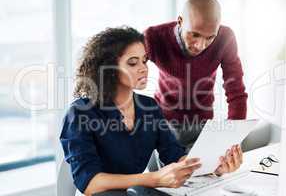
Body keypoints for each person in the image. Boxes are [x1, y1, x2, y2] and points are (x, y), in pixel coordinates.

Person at [60, 26, 243, 196]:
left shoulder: (149, 107)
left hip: (134, 190)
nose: (143, 68)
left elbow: (174, 155)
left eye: (144, 60)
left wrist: (214, 167)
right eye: (132, 63)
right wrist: (154, 179)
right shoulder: (80, 113)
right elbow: (89, 182)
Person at [144, 0, 248, 149]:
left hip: (202, 125)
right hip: (163, 123)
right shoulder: (154, 37)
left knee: (202, 171)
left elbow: (236, 92)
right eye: (195, 34)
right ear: (180, 21)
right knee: (166, 170)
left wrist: (232, 138)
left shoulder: (225, 38)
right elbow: (126, 74)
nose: (200, 45)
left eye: (210, 37)